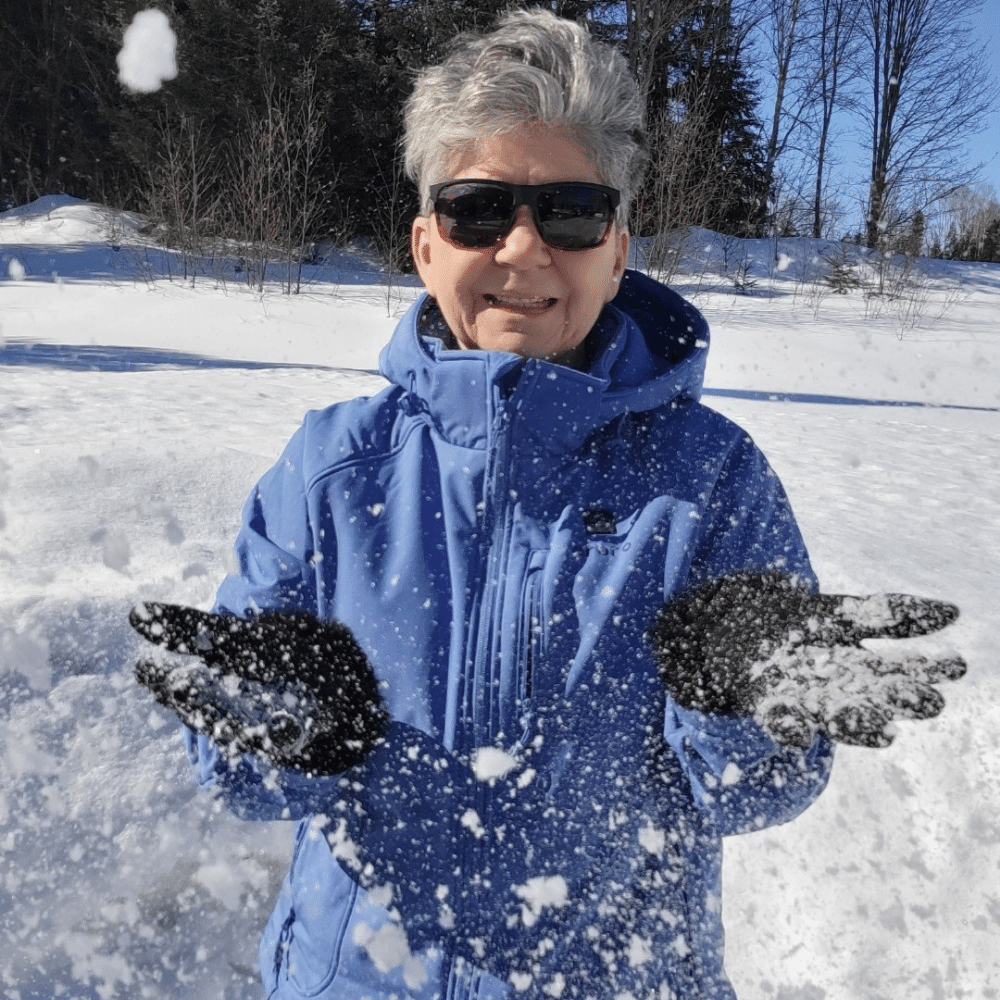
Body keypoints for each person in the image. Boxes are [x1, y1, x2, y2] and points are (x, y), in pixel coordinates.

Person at [130, 10, 965, 1000]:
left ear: (616, 250)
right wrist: (288, 723)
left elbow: (764, 789)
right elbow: (236, 771)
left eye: (569, 212)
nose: (523, 249)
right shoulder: (334, 471)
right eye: (478, 210)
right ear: (424, 245)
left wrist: (732, 703)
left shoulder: (709, 483)